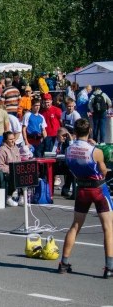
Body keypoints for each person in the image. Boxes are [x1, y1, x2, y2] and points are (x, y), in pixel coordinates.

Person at [58, 119, 113, 278]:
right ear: (89, 130)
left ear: (74, 132)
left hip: (81, 188)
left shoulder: (68, 150)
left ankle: (64, 263)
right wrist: (94, 146)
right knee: (108, 227)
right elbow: (103, 171)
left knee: (75, 226)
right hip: (97, 188)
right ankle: (109, 267)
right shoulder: (95, 151)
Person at [0, 131, 21, 207]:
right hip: (6, 172)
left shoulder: (16, 148)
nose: (13, 141)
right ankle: (9, 197)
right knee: (13, 176)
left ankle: (22, 197)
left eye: (13, 139)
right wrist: (11, 170)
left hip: (16, 169)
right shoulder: (2, 150)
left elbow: (19, 160)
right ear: (5, 140)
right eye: (10, 139)